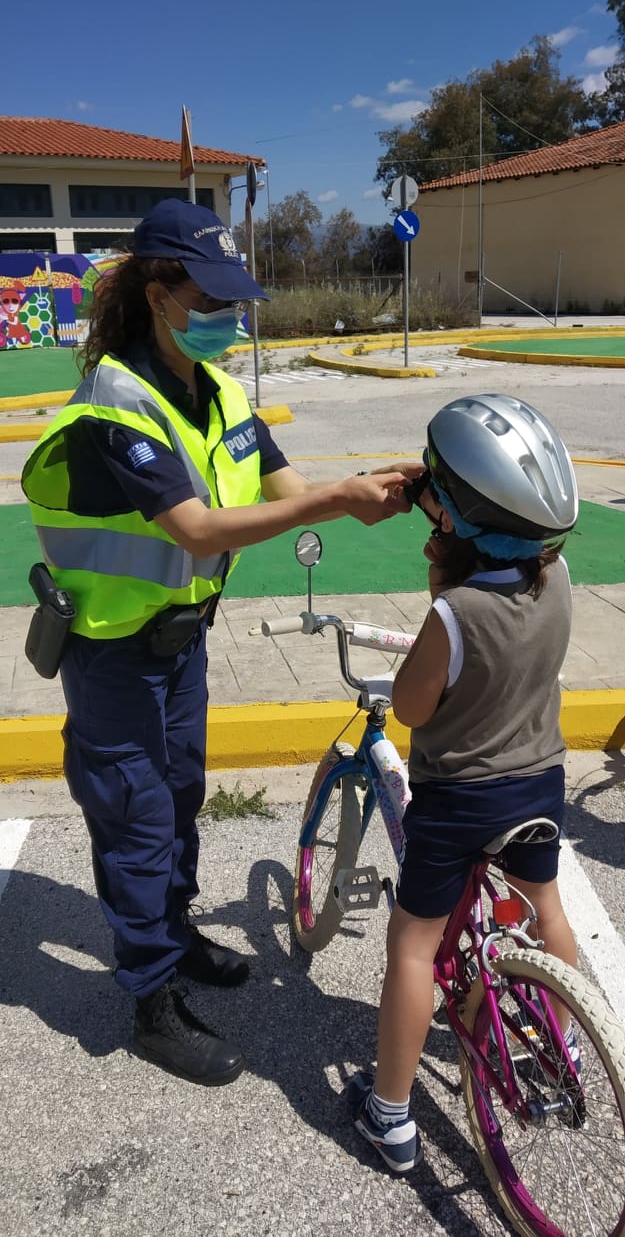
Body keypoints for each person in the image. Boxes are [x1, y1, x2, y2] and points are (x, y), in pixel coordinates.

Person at [21, 198, 410, 1088]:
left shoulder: (222, 392)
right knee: (135, 817)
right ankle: (150, 1003)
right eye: (210, 300)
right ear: (158, 294)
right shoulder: (116, 406)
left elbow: (289, 485)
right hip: (114, 651)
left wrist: (386, 485)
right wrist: (334, 500)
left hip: (181, 643)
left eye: (234, 301)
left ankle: (177, 932)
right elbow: (198, 529)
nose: (227, 320)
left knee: (182, 797)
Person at [346, 393, 580, 1173]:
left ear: (453, 522)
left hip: (458, 797)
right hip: (538, 781)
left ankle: (389, 1116)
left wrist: (440, 600)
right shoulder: (560, 579)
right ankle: (566, 1038)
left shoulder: (456, 612)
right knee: (544, 902)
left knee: (411, 946)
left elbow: (412, 707)